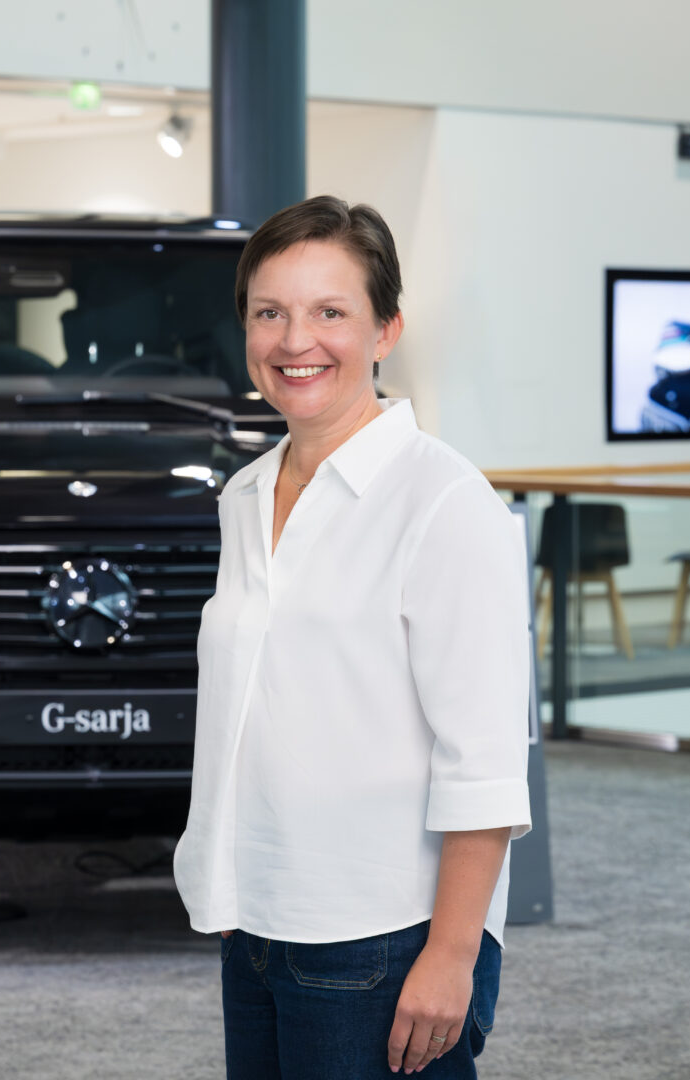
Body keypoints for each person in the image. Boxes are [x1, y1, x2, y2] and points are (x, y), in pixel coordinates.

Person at [172, 195, 532, 1079]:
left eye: (331, 312)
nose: (297, 341)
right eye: (271, 313)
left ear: (386, 330)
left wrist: (452, 957)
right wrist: (223, 874)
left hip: (383, 940)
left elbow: (482, 759)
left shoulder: (444, 502)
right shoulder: (246, 495)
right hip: (257, 928)